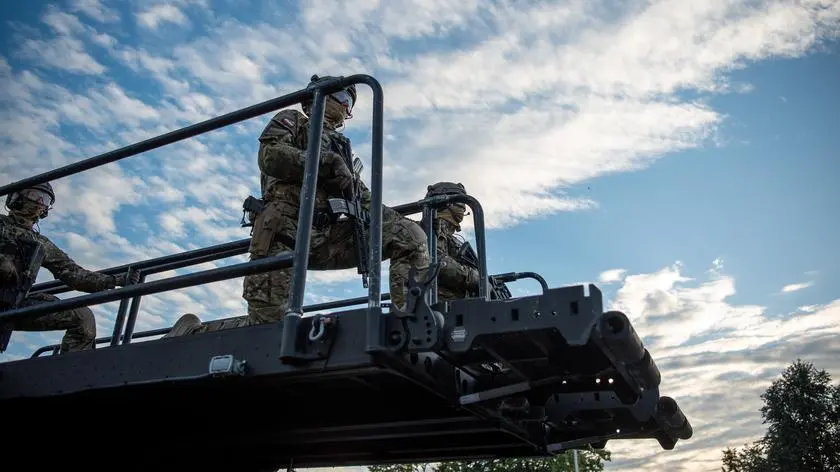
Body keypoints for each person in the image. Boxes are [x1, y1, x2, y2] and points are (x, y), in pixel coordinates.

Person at [163, 74, 430, 338]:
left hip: (326, 237)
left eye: (350, 102)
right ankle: (194, 333)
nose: (347, 107)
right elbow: (270, 156)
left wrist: (406, 224)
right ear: (319, 97)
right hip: (283, 234)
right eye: (343, 97)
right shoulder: (293, 121)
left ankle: (407, 321)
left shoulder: (341, 147)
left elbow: (364, 198)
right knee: (268, 330)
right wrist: (325, 162)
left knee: (411, 236)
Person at [0, 182, 138, 354]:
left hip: (14, 305)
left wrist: (115, 280)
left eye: (44, 200)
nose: (38, 202)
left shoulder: (41, 244)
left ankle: (71, 374)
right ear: (15, 197)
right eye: (33, 195)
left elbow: (74, 274)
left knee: (83, 317)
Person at [420, 182, 480, 301]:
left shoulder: (449, 237)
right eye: (461, 204)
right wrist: (473, 277)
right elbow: (437, 262)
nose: (463, 209)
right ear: (448, 203)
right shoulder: (430, 228)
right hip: (435, 306)